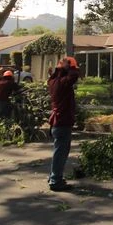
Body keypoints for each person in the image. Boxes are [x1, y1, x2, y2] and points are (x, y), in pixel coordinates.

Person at [47, 56, 80, 192]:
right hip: (62, 122)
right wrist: (70, 66)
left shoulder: (53, 80)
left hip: (58, 122)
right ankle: (55, 180)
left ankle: (54, 177)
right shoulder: (63, 82)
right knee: (60, 153)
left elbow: (65, 76)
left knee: (60, 151)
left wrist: (62, 68)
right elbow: (73, 76)